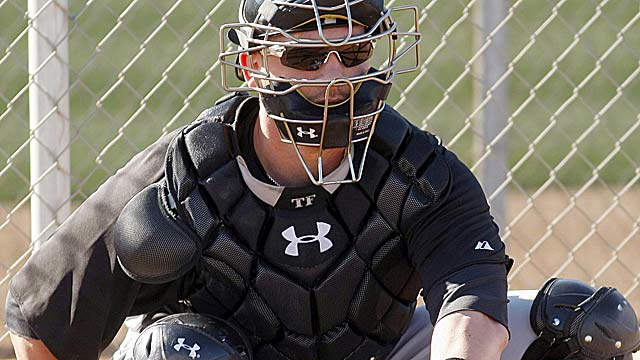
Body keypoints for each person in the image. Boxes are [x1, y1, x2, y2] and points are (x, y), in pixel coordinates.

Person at [5, 0, 640, 359]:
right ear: (253, 65)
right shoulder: (182, 180)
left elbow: (470, 314)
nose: (336, 75)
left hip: (373, 350)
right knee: (180, 353)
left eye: (354, 54)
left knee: (591, 325)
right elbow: (39, 326)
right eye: (307, 57)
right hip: (225, 350)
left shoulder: (418, 171)